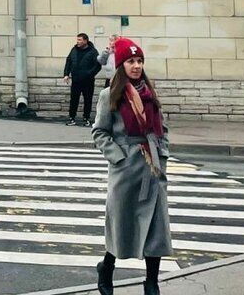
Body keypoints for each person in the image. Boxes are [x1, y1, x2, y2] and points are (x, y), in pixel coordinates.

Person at [92, 38, 171, 295]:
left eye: (139, 61)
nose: (136, 66)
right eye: (130, 61)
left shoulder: (150, 93)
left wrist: (163, 154)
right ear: (121, 65)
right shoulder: (109, 95)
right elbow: (100, 132)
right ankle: (107, 267)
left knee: (155, 227)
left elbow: (162, 128)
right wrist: (119, 157)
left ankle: (151, 282)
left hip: (152, 168)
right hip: (126, 170)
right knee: (120, 224)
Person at [64, 32, 101, 127]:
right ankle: (72, 118)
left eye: (80, 40)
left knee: (88, 100)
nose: (78, 42)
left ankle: (86, 119)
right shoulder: (74, 49)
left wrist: (89, 74)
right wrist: (66, 74)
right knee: (74, 100)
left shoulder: (93, 52)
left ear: (85, 41)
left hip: (88, 81)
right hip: (76, 80)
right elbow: (69, 61)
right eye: (77, 40)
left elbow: (97, 66)